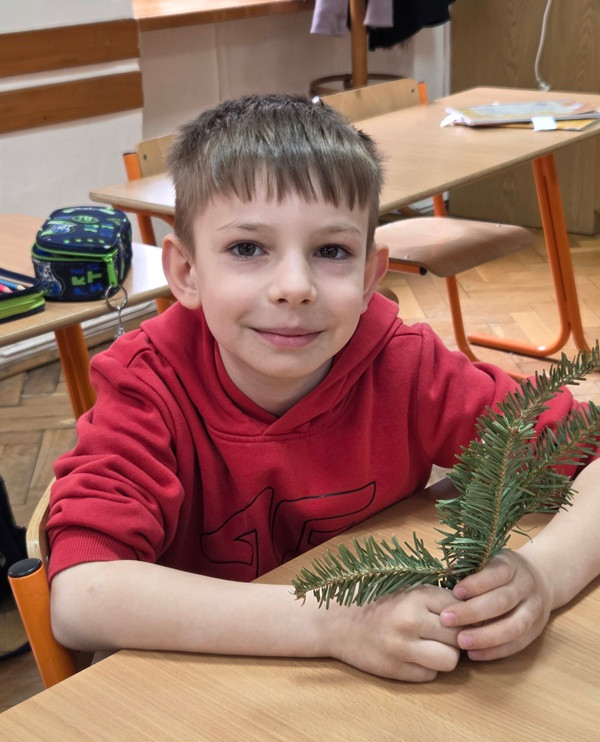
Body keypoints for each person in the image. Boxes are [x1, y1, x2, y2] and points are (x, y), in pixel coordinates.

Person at [48, 94, 600, 682]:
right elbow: (81, 595)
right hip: (199, 696)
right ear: (186, 272)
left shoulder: (405, 367)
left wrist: (544, 577)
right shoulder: (148, 386)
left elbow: (589, 450)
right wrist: (331, 623)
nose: (295, 287)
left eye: (331, 251)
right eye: (247, 248)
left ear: (369, 277)